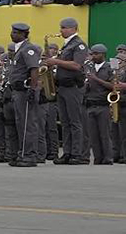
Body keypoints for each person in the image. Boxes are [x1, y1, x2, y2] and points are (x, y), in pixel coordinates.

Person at [43, 17, 88, 164]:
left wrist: (55, 61)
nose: (61, 30)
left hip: (72, 87)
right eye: (61, 27)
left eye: (64, 27)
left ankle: (77, 153)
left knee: (75, 121)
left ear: (73, 28)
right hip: (62, 86)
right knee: (65, 121)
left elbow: (76, 65)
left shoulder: (79, 45)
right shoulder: (66, 45)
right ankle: (67, 152)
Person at [9, 23, 42, 167]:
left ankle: (29, 155)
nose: (12, 34)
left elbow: (34, 69)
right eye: (12, 32)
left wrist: (33, 89)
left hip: (25, 90)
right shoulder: (19, 49)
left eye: (16, 32)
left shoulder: (28, 48)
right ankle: (22, 153)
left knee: (28, 123)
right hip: (17, 91)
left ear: (24, 34)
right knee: (20, 123)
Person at [83, 44, 114, 165]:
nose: (93, 56)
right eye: (92, 54)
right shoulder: (89, 67)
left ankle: (108, 158)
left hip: (103, 105)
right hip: (90, 103)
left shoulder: (109, 68)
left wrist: (95, 79)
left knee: (104, 134)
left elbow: (113, 86)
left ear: (103, 55)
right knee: (93, 135)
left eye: (96, 54)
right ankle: (98, 158)